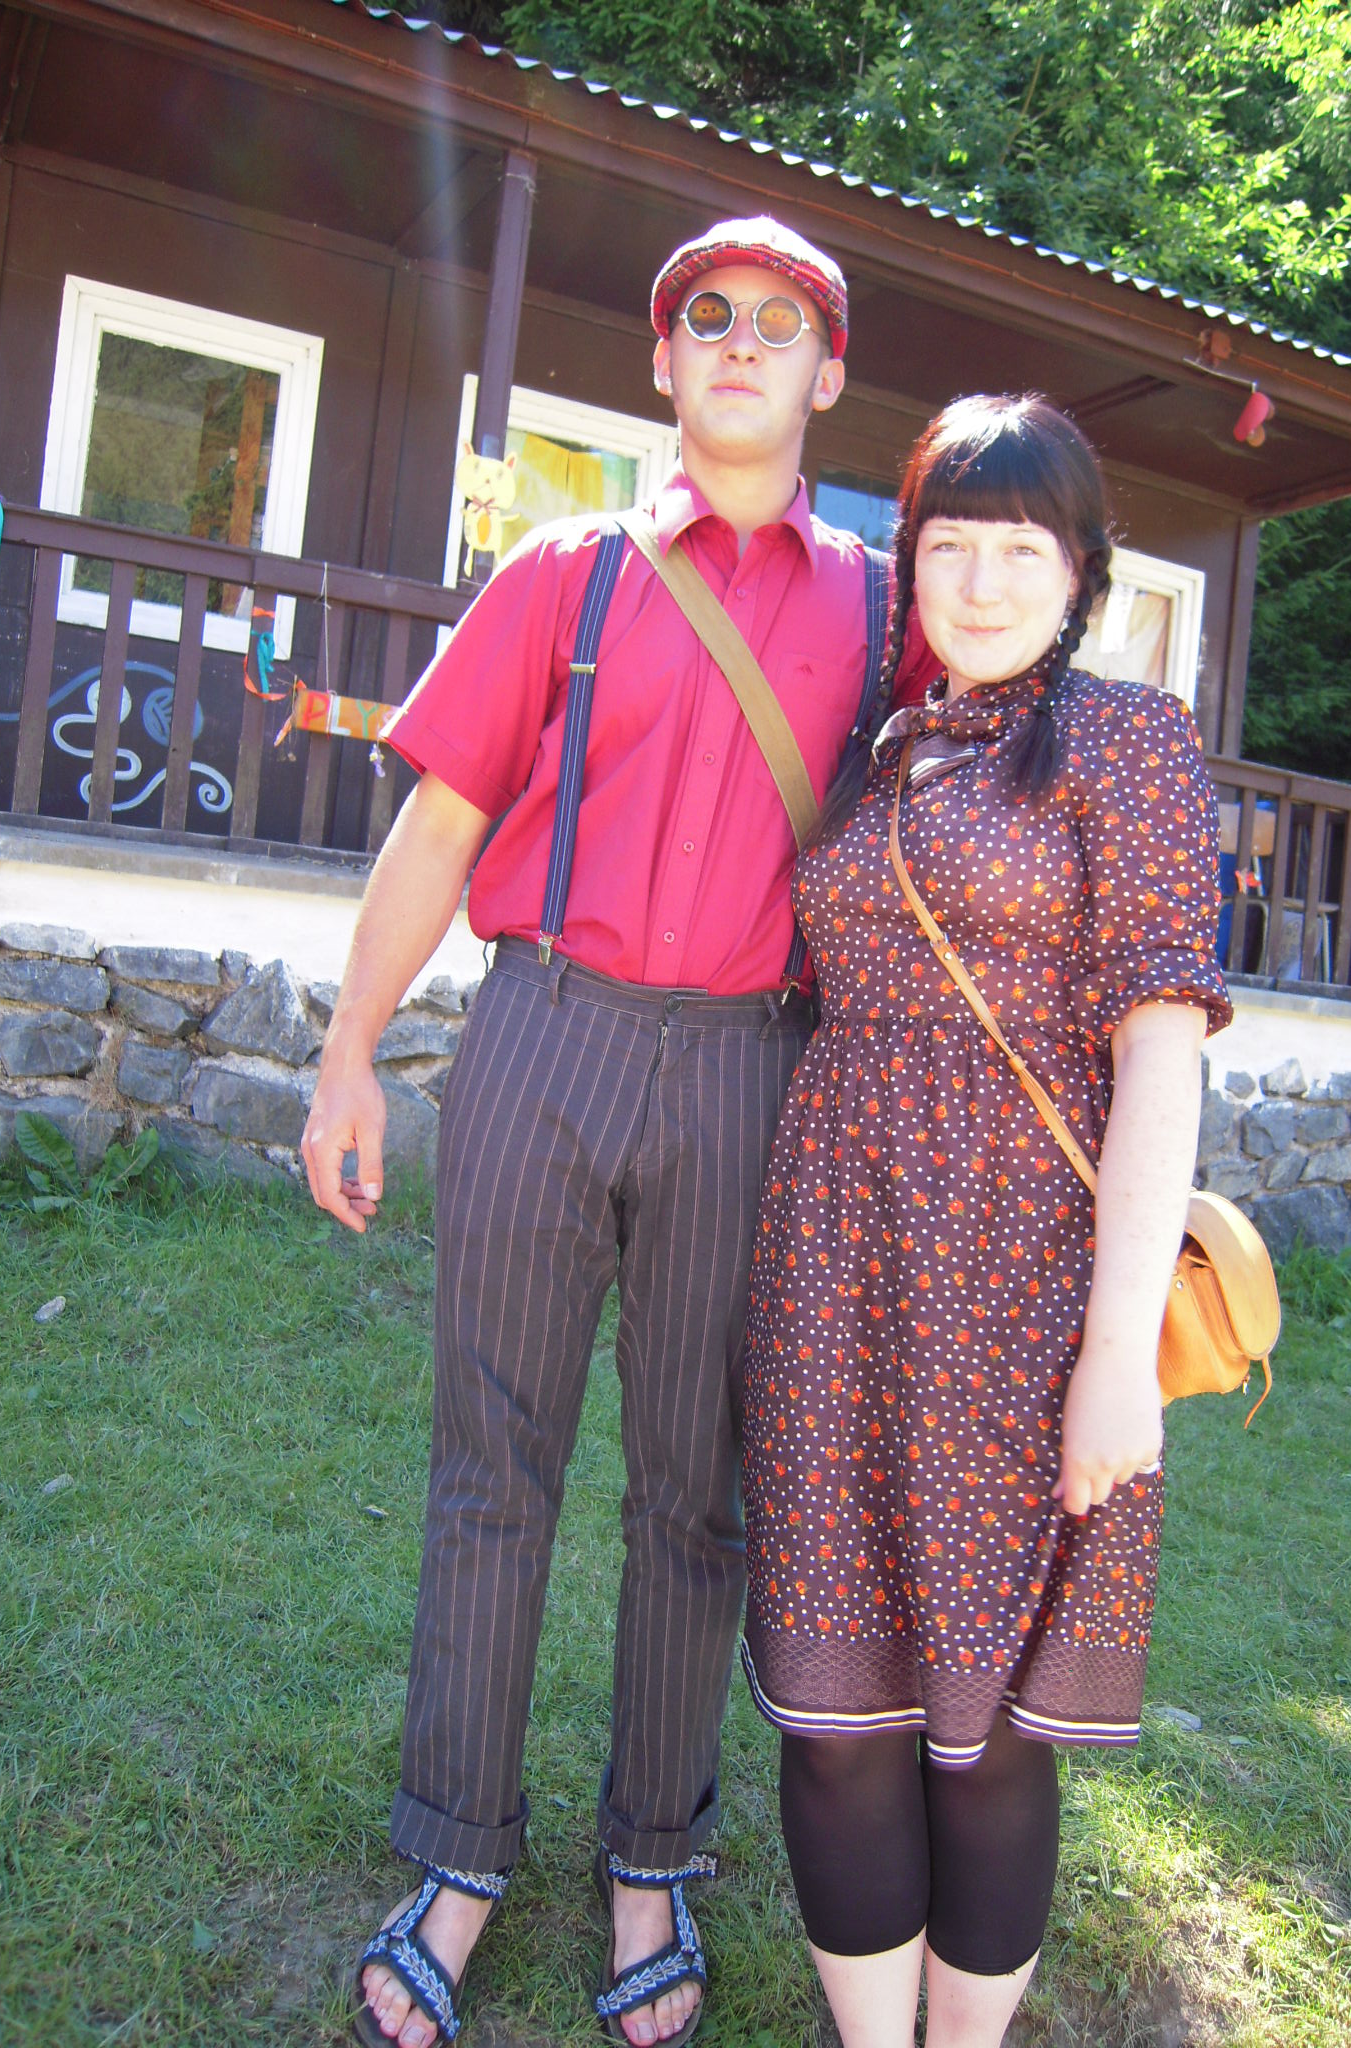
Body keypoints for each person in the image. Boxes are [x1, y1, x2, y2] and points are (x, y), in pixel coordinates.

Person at [300, 215, 929, 2048]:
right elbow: (440, 823)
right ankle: (458, 1855)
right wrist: (350, 1053)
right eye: (705, 316)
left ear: (827, 374)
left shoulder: (889, 611)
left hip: (750, 1072)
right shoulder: (563, 573)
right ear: (662, 361)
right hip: (540, 1042)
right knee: (489, 1470)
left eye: (779, 322)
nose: (738, 341)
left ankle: (653, 1857)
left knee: (695, 1496)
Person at [739, 394, 1233, 2048]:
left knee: (989, 1729)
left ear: (1080, 569)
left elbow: (1160, 1056)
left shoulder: (1129, 742)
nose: (981, 579)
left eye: (1021, 547)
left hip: (1025, 1290)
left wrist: (1119, 1357)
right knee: (838, 1719)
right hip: (834, 1271)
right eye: (947, 545)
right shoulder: (884, 751)